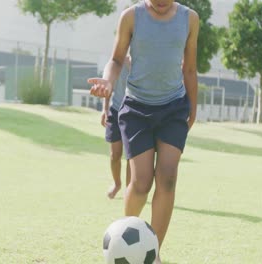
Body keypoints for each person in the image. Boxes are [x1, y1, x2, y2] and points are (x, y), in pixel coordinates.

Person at [88, 0, 199, 262]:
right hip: (136, 109)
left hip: (174, 107)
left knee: (168, 177)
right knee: (140, 183)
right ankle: (124, 246)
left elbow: (190, 68)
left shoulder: (190, 19)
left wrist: (192, 108)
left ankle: (154, 253)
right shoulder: (131, 17)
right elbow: (116, 59)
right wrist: (108, 81)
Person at [102, 56, 131, 199]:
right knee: (115, 155)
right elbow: (109, 85)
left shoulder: (141, 61)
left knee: (131, 157)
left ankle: (129, 190)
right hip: (115, 111)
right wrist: (105, 109)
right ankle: (117, 183)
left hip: (133, 112)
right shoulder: (117, 60)